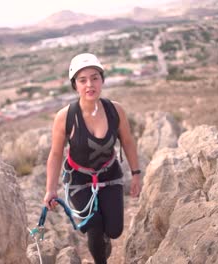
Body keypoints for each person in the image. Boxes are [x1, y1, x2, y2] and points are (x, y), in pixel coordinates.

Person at [43, 53, 141, 264]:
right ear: (75, 85)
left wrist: (136, 174)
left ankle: (106, 237)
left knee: (114, 230)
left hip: (110, 174)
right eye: (82, 80)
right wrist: (50, 189)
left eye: (95, 78)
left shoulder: (115, 111)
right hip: (78, 179)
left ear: (102, 80)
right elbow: (56, 153)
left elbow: (128, 141)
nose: (90, 84)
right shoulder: (65, 117)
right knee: (93, 226)